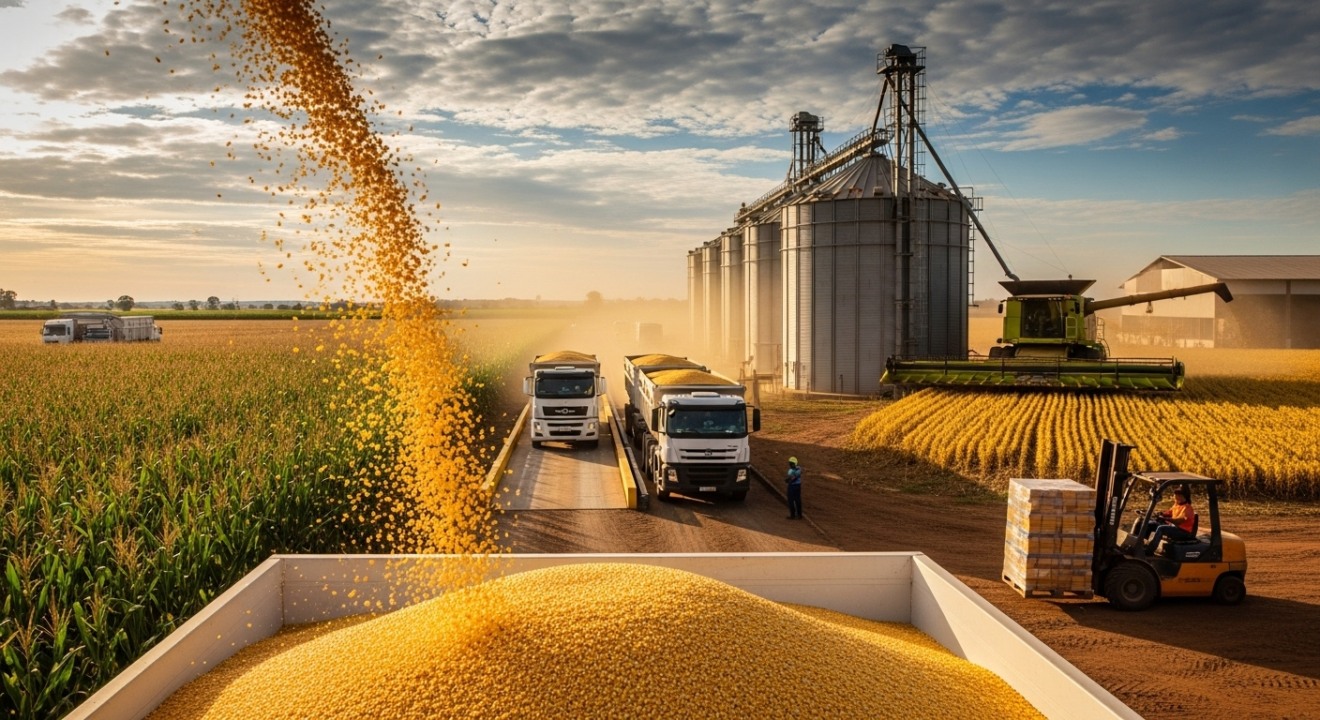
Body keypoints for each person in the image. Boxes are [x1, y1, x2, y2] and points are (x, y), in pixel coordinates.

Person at [1145, 486, 1197, 554]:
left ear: (1181, 496)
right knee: (1151, 524)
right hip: (1175, 528)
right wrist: (1160, 514)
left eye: (1175, 496)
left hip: (1183, 532)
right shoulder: (1177, 505)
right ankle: (1141, 543)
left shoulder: (1187, 508)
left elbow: (1179, 521)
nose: (1174, 497)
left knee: (1161, 529)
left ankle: (1149, 550)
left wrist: (1166, 519)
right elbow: (1169, 512)